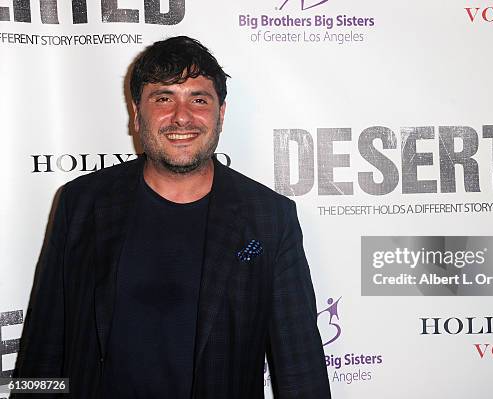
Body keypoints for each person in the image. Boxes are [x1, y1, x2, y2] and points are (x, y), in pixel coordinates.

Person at [13, 36, 331, 398]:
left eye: (198, 99)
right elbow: (43, 347)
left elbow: (300, 368)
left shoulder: (270, 218)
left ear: (220, 114)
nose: (182, 116)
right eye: (163, 98)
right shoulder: (82, 203)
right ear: (136, 112)